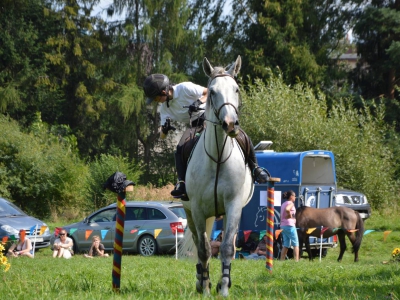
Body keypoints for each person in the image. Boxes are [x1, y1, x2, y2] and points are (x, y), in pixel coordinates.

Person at [143, 73, 270, 200]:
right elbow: (162, 136)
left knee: (241, 135)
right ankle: (182, 183)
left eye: (155, 98)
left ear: (164, 91)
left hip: (210, 116)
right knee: (180, 148)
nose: (155, 101)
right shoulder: (165, 108)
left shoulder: (184, 88)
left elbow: (209, 91)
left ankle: (255, 168)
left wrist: (198, 102)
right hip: (195, 125)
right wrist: (164, 129)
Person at [280, 190, 300, 262]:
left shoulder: (283, 204)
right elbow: (287, 209)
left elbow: (281, 215)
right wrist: (289, 215)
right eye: (294, 196)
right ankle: (296, 261)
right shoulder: (291, 203)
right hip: (290, 225)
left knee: (286, 245)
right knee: (296, 244)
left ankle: (281, 261)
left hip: (283, 226)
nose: (295, 198)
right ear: (291, 197)